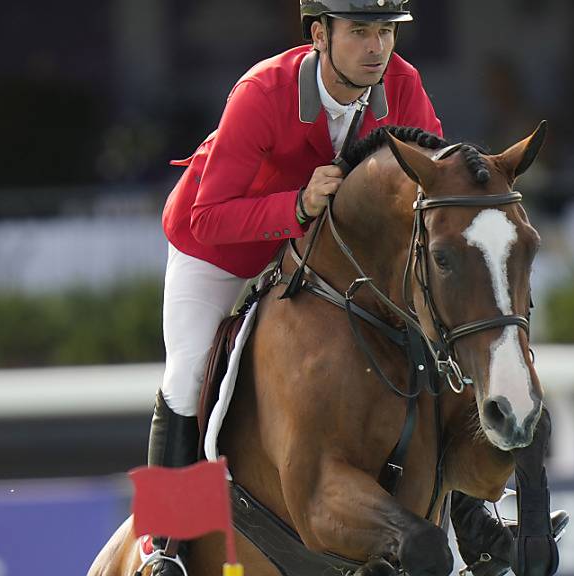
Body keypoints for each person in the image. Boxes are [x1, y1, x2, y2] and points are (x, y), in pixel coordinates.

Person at [146, 1, 441, 573]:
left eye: (386, 31)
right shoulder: (263, 92)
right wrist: (299, 205)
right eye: (360, 31)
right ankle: (166, 547)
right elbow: (208, 216)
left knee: (430, 340)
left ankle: (477, 518)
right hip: (222, 247)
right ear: (319, 35)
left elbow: (431, 185)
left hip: (322, 254)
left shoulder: (402, 84)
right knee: (186, 374)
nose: (377, 47)